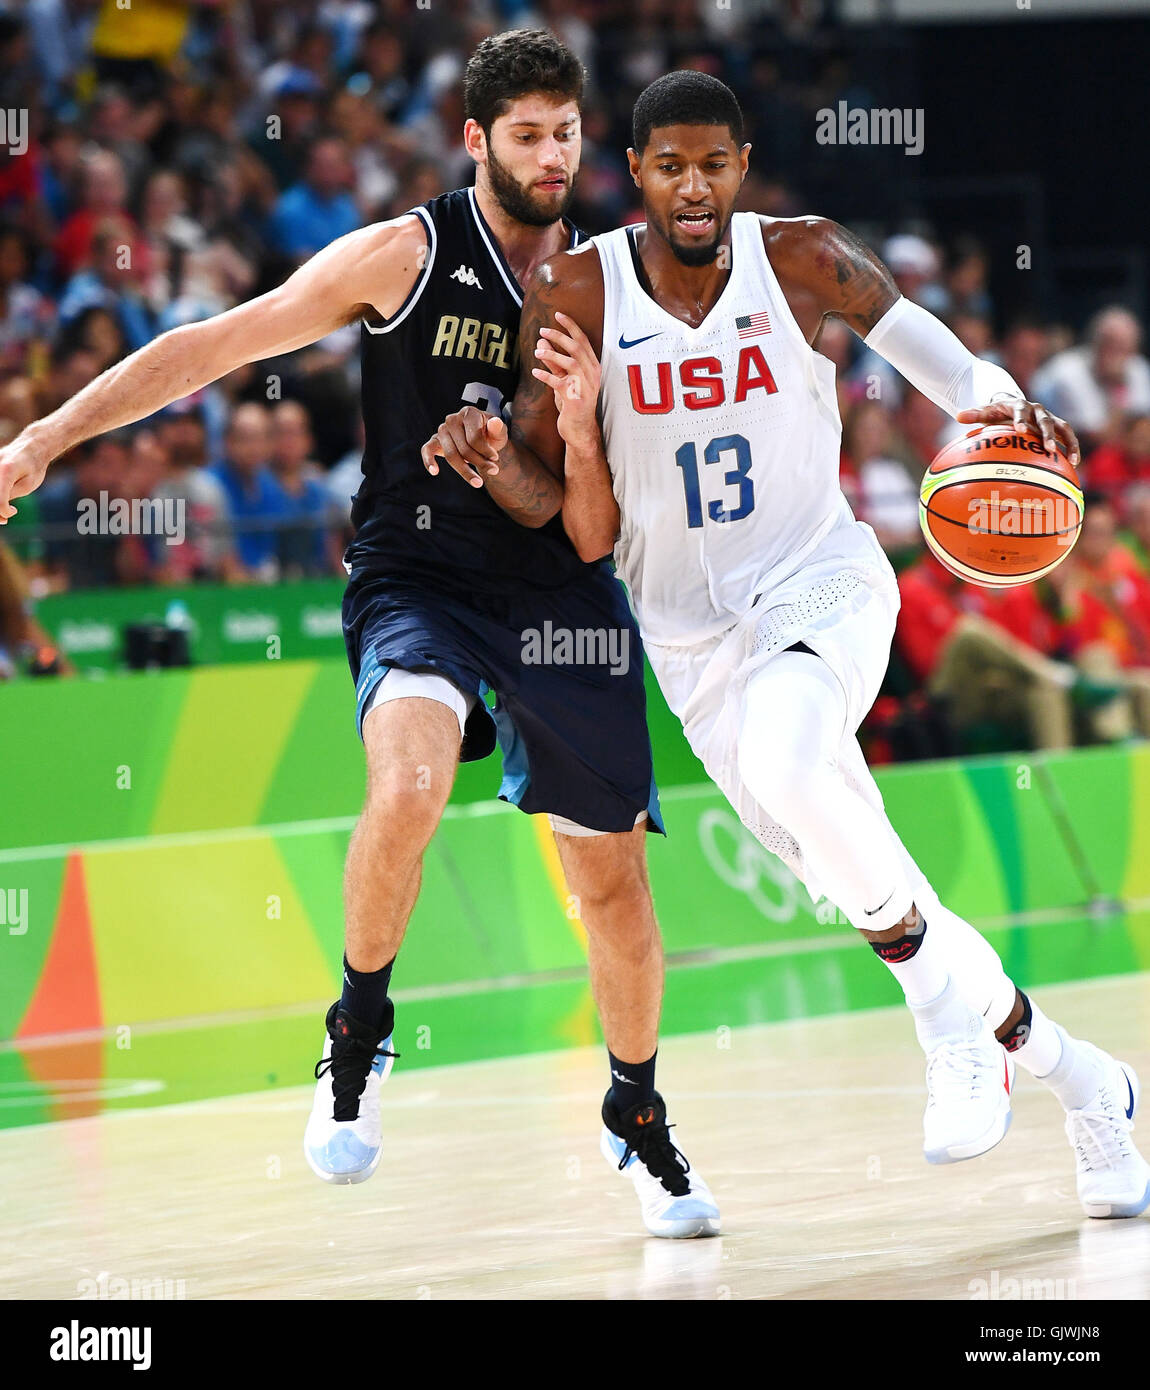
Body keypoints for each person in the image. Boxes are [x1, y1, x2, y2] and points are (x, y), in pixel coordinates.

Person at [0, 32, 718, 1241]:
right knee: (410, 781)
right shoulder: (408, 253)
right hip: (417, 579)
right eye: (529, 135)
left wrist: (568, 442)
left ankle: (636, 1111)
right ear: (477, 141)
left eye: (567, 132)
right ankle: (359, 1027)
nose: (554, 156)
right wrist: (41, 443)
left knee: (616, 893)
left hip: (557, 598)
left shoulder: (608, 284)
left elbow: (595, 531)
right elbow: (211, 347)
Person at [433, 71, 1149, 1220]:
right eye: (670, 164)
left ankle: (936, 1023)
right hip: (689, 644)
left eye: (715, 163)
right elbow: (553, 504)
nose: (695, 185)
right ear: (637, 172)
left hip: (821, 583)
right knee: (872, 877)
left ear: (742, 164)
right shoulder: (570, 286)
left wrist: (999, 402)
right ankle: (1084, 1083)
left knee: (796, 772)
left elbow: (944, 361)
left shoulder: (803, 254)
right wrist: (487, 449)